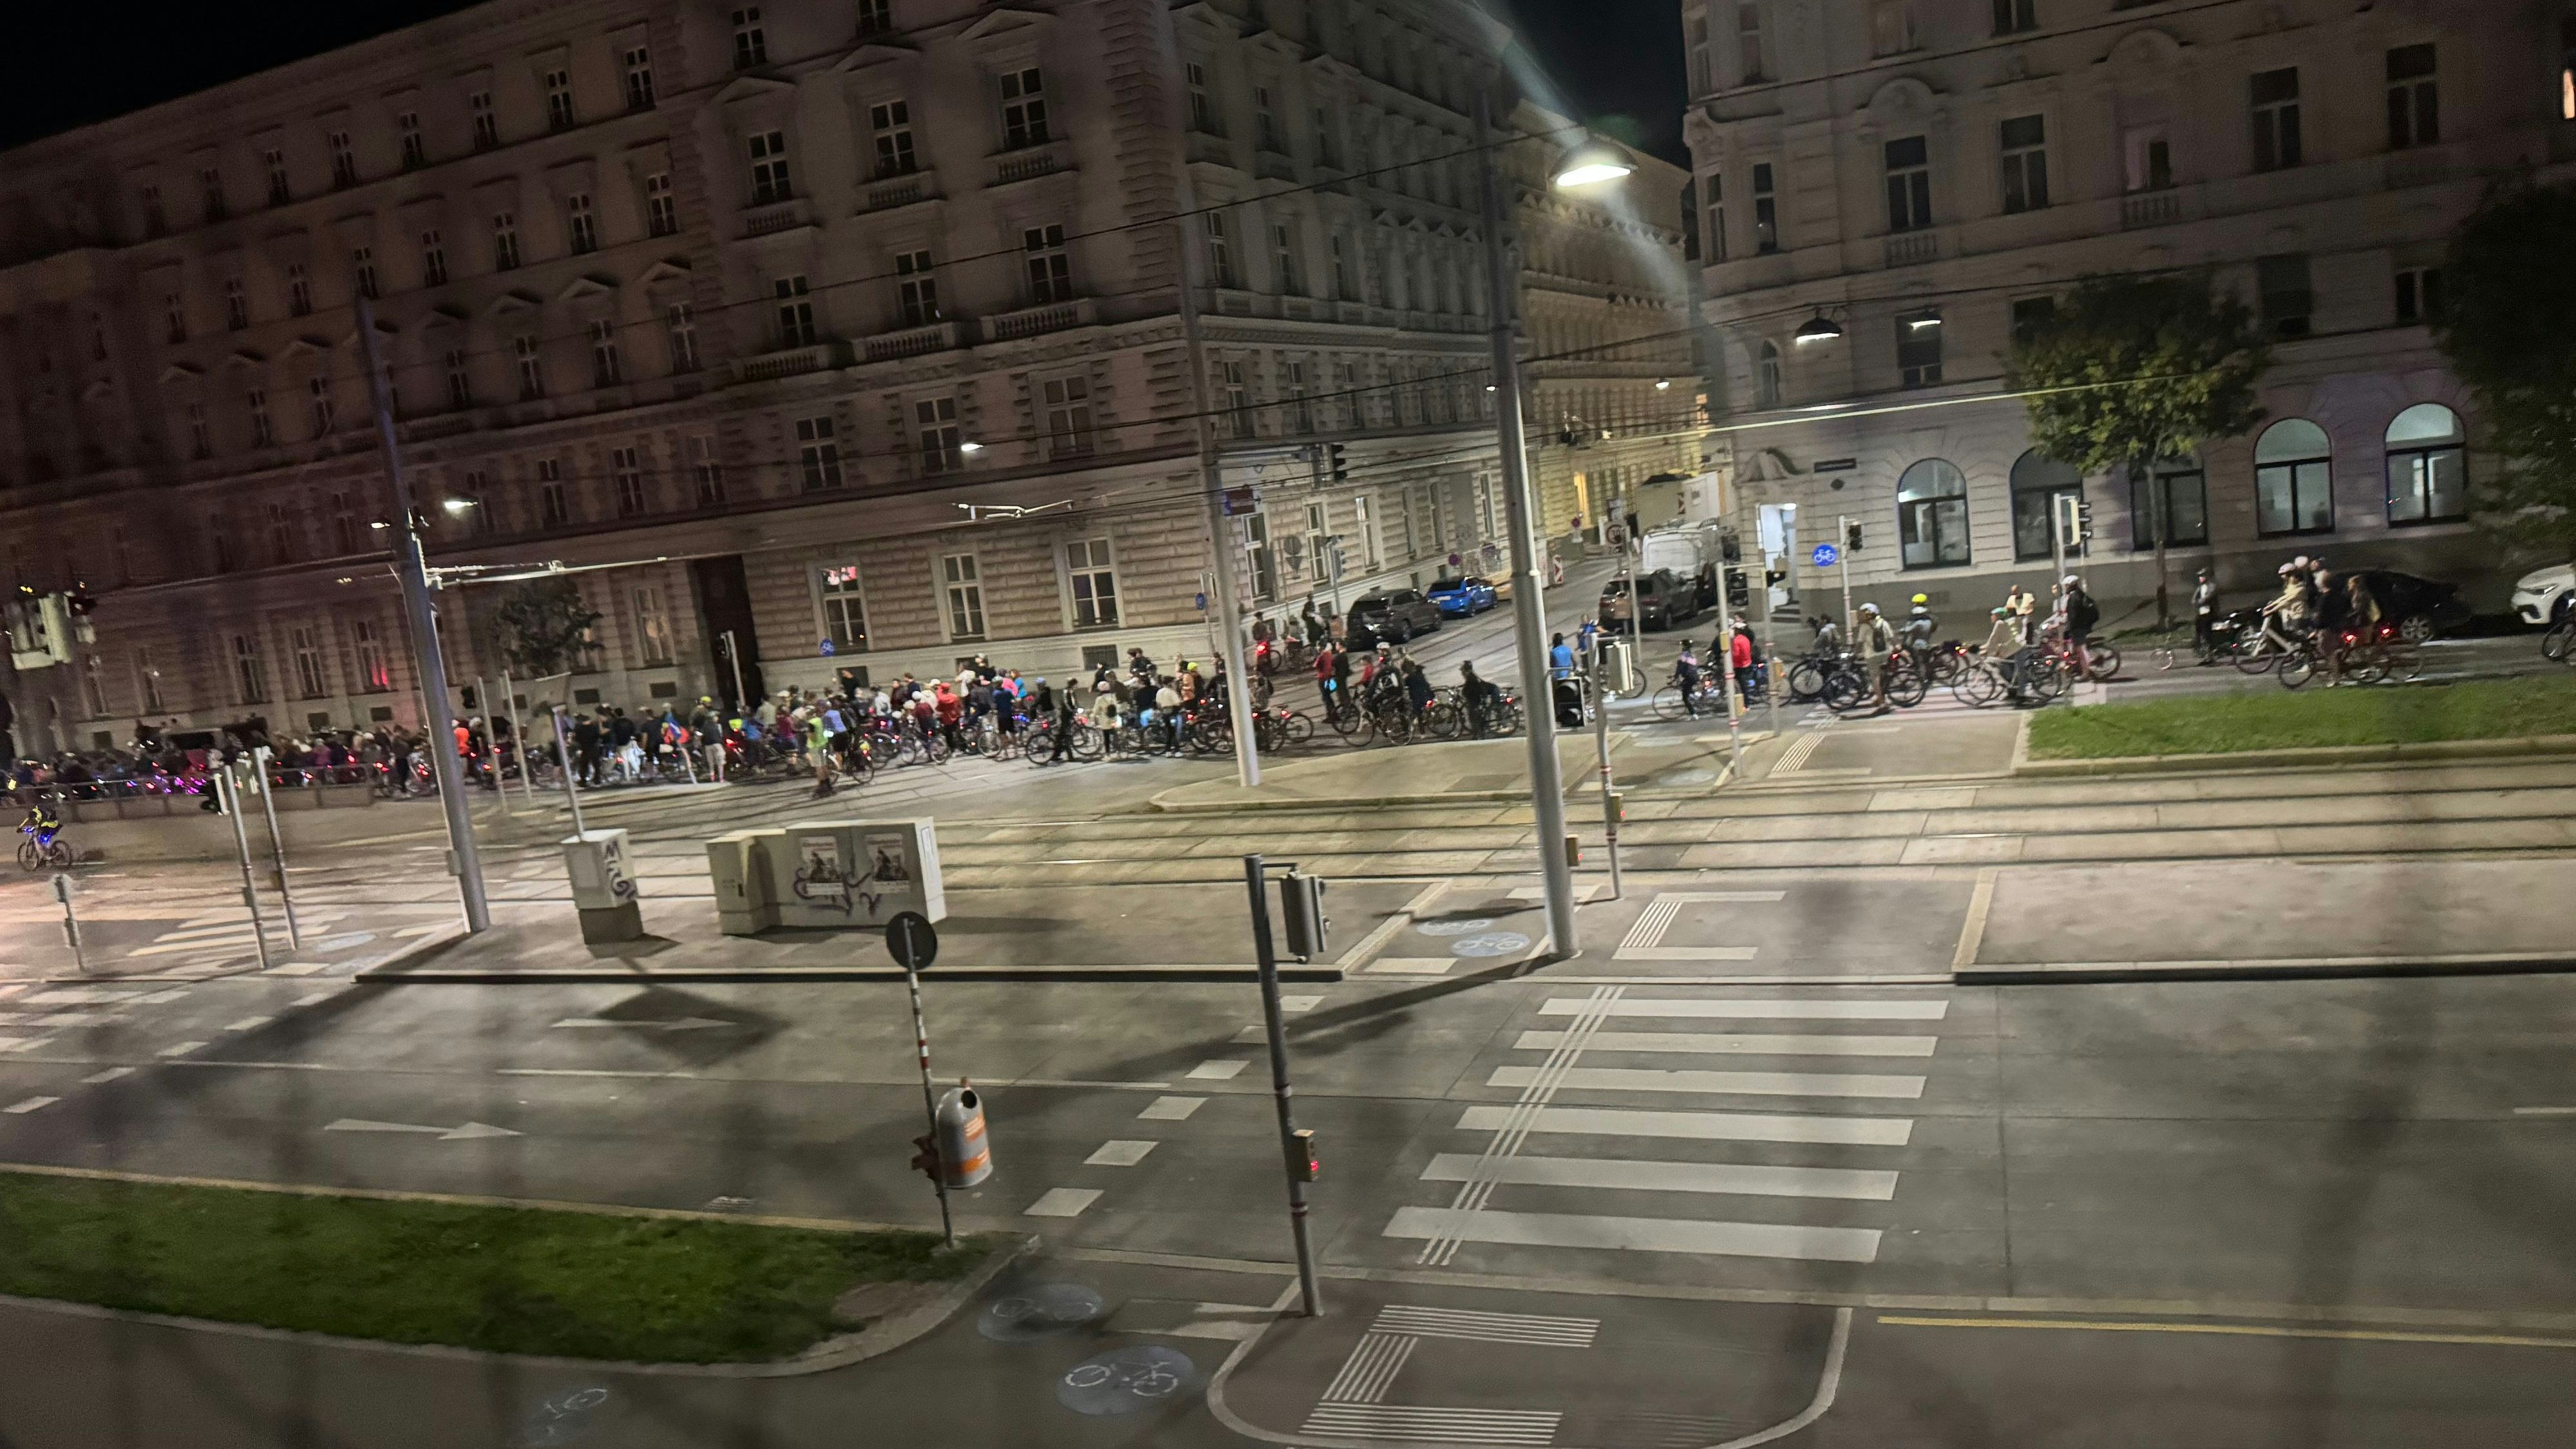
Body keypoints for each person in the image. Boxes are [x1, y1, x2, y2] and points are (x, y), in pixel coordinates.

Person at [1855, 601, 1899, 714]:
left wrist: (1856, 653)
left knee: (1875, 679)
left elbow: (1859, 643)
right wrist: (1897, 648)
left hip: (1872, 656)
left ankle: (1882, 703)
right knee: (1884, 675)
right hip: (1886, 654)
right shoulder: (1884, 623)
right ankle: (1879, 698)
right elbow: (1891, 638)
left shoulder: (1864, 626)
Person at [2061, 574, 2100, 677]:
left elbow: (2073, 616)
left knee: (2081, 650)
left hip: (2078, 628)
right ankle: (2077, 668)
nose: (2065, 588)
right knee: (2074, 650)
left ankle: (2086, 672)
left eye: (2066, 586)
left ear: (2070, 585)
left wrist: (2067, 626)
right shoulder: (2079, 594)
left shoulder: (2075, 597)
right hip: (2082, 626)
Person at [1461, 660, 1500, 737]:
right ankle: (1479, 733)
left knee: (1475, 713)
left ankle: (1479, 734)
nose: (1462, 673)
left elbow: (1478, 689)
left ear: (1466, 670)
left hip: (1486, 694)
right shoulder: (1471, 676)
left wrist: (1482, 701)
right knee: (1475, 713)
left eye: (1462, 670)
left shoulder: (1472, 678)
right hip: (1485, 693)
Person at [1549, 632, 1581, 728]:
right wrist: (1573, 670)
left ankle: (1558, 716)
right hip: (1568, 675)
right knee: (1570, 697)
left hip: (1557, 676)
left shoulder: (1553, 652)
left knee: (1557, 698)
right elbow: (1575, 663)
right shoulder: (1568, 650)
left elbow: (1552, 665)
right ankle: (1570, 715)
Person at [2192, 569, 2221, 665]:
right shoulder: (2199, 588)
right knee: (2198, 631)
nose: (2200, 578)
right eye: (2199, 577)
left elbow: (2208, 598)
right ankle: (2203, 652)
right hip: (2201, 613)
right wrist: (2196, 602)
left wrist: (2198, 602)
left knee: (2207, 633)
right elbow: (2194, 599)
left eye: (2202, 576)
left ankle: (2211, 657)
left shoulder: (2212, 586)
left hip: (2210, 613)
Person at [1672, 639, 1704, 717]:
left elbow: (1681, 667)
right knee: (1687, 689)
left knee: (1685, 697)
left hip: (1690, 677)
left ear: (1684, 646)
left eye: (1682, 646)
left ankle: (1694, 714)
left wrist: (1676, 676)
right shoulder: (1691, 654)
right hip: (1694, 676)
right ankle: (1698, 696)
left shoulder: (1685, 655)